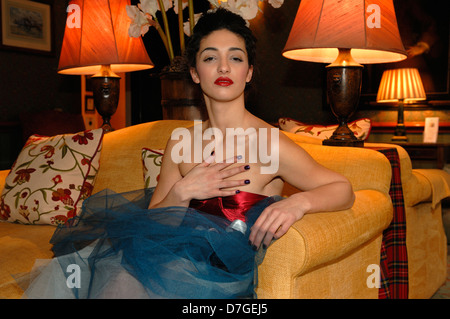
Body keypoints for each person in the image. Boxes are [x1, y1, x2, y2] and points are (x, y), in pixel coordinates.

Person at [22, 8, 354, 299]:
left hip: (217, 276)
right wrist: (184, 191)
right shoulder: (181, 143)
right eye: (210, 57)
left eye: (235, 57)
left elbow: (343, 189)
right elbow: (153, 224)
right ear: (195, 73)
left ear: (249, 72)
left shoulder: (270, 143)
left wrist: (298, 203)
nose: (223, 66)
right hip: (163, 257)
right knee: (117, 276)